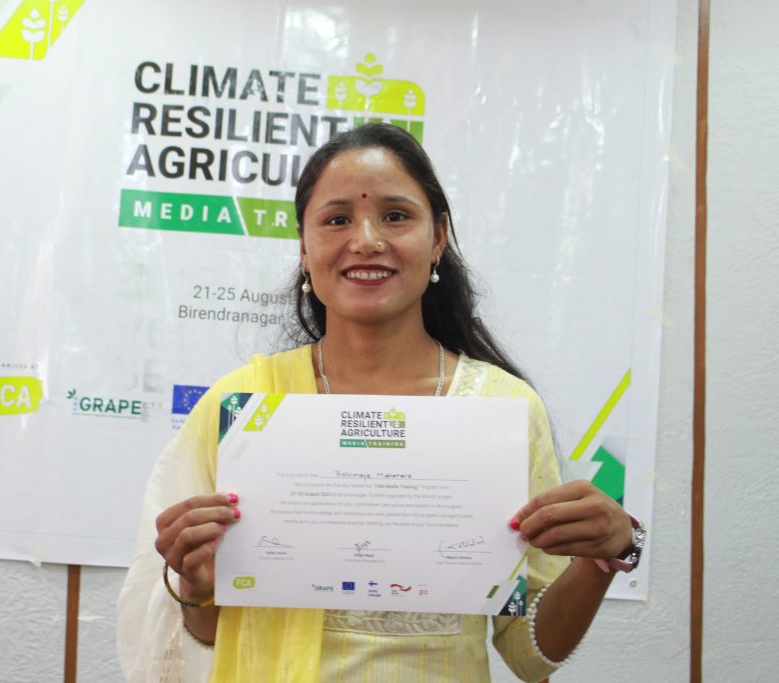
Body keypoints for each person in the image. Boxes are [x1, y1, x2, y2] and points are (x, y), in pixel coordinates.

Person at [117, 123, 644, 682]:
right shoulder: (244, 407)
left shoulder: (500, 409)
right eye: (337, 218)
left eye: (395, 216)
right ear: (304, 246)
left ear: (438, 237)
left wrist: (604, 558)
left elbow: (529, 655)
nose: (365, 240)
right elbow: (208, 636)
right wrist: (196, 585)